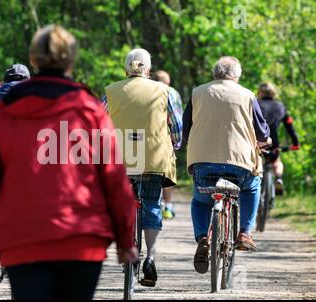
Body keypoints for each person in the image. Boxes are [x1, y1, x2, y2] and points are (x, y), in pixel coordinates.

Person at [0, 25, 138, 300]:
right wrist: (125, 240)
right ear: (71, 60)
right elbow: (115, 179)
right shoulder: (90, 111)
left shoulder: (6, 113)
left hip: (23, 239)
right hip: (82, 240)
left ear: (34, 61)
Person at [182, 56, 271, 274]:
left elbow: (185, 128)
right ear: (237, 75)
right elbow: (261, 131)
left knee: (201, 201)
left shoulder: (197, 93)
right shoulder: (248, 95)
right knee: (252, 186)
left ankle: (203, 237)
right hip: (239, 164)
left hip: (203, 161)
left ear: (215, 73)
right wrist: (266, 140)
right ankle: (244, 232)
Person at [103, 49, 182, 287]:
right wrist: (176, 143)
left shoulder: (111, 91)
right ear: (148, 69)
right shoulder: (166, 91)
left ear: (126, 69)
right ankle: (150, 257)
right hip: (153, 158)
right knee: (152, 205)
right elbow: (177, 126)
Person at [257, 82, 300, 195]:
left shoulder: (256, 104)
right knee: (276, 162)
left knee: (256, 163)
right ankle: (278, 179)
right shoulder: (280, 107)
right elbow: (289, 126)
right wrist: (296, 143)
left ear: (260, 92)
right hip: (273, 143)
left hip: (257, 141)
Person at [152, 70, 183, 220]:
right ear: (168, 82)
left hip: (146, 137)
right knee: (168, 174)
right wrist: (177, 141)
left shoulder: (147, 90)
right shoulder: (172, 93)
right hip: (166, 137)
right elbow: (178, 117)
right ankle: (168, 207)